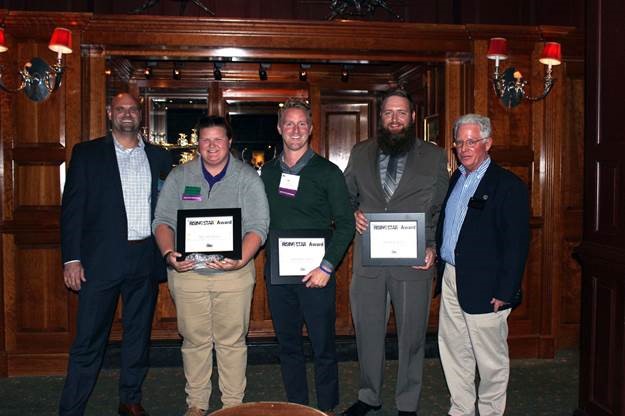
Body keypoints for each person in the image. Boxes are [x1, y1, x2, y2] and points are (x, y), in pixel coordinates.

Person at [59, 92, 173, 416]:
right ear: (110, 113)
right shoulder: (87, 154)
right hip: (99, 261)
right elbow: (72, 211)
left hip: (144, 257)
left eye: (132, 109)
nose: (126, 114)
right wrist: (71, 258)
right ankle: (71, 408)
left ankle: (130, 398)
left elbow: (169, 209)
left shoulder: (159, 158)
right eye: (120, 109)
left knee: (138, 336)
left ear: (141, 115)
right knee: (89, 341)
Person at [342, 89, 449, 416]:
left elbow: (441, 209)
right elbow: (344, 197)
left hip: (414, 262)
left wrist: (433, 247)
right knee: (368, 333)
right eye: (389, 113)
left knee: (412, 337)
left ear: (413, 117)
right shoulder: (360, 153)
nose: (395, 119)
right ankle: (368, 395)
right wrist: (352, 214)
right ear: (380, 117)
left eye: (401, 112)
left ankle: (407, 403)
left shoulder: (433, 156)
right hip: (369, 263)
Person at [153, 116, 269, 416]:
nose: (212, 146)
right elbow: (162, 221)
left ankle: (232, 405)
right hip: (188, 274)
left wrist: (241, 258)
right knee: (194, 342)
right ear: (198, 144)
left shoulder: (248, 178)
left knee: (231, 342)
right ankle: (197, 404)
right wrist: (169, 254)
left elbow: (259, 226)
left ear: (229, 143)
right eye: (206, 140)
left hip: (234, 275)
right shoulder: (180, 177)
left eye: (218, 139)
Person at [261, 98, 355, 416]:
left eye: (302, 124)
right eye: (289, 123)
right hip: (279, 276)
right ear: (279, 128)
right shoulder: (268, 173)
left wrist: (327, 267)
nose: (296, 130)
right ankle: (297, 407)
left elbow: (344, 224)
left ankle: (327, 408)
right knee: (288, 346)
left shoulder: (328, 172)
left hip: (318, 273)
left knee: (323, 346)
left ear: (311, 129)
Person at [436, 114, 529, 416]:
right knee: (454, 351)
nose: (464, 148)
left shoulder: (508, 186)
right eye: (459, 142)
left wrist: (506, 290)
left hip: (488, 286)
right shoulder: (457, 178)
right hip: (452, 277)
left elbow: (517, 245)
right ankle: (461, 410)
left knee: (491, 362)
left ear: (488, 143)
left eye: (472, 141)